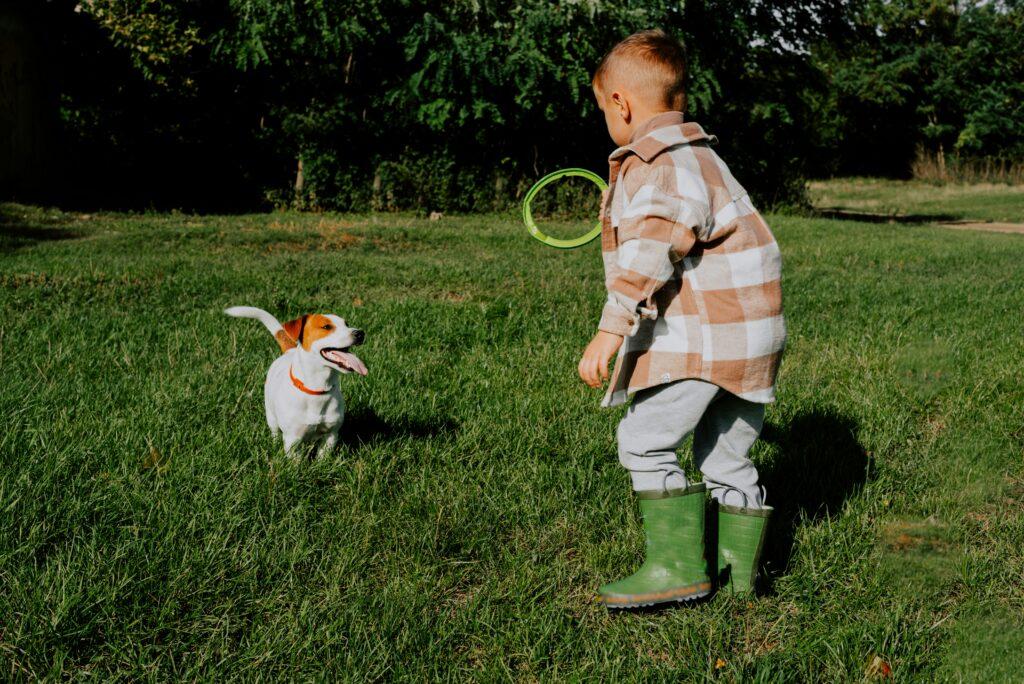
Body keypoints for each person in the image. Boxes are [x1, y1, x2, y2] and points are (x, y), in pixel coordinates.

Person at [578, 29, 786, 608]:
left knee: (643, 441)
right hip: (752, 341)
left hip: (706, 343)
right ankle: (740, 581)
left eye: (603, 111)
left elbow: (651, 251)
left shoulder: (660, 166)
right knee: (725, 455)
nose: (606, 121)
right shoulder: (705, 157)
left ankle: (677, 570)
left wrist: (610, 327)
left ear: (621, 103)